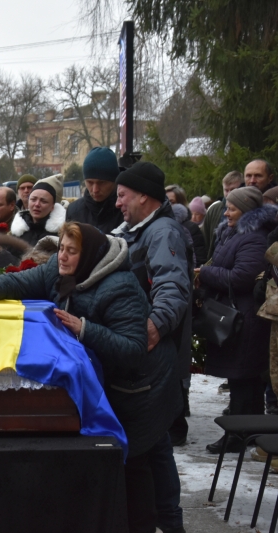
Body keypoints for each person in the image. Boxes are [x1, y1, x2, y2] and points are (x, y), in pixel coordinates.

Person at [0, 222, 177, 533]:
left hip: (141, 387)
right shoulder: (57, 269)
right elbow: (22, 281)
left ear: (89, 254)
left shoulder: (120, 287)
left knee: (138, 462)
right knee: (126, 462)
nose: (62, 256)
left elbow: (133, 349)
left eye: (71, 251)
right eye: (61, 248)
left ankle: (161, 525)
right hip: (106, 379)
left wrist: (83, 328)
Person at [113, 161, 190, 533]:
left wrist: (152, 327)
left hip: (152, 361)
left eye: (122, 195)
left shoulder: (162, 232)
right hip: (144, 361)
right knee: (154, 443)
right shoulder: (137, 229)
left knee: (153, 445)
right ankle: (167, 523)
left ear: (143, 195)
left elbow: (173, 286)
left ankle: (168, 523)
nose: (117, 203)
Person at [199, 187, 277, 452]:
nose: (227, 213)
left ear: (246, 209)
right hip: (239, 317)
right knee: (242, 380)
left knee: (244, 380)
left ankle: (238, 435)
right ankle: (247, 433)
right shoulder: (236, 233)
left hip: (245, 321)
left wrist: (206, 273)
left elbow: (241, 277)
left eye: (231, 208)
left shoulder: (253, 238)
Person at [66, 146, 123, 234]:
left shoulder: (126, 210)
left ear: (115, 181)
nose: (95, 190)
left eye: (102, 183)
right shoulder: (74, 211)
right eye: (90, 182)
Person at [11, 173, 66, 246]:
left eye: (43, 201)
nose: (37, 204)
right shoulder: (18, 231)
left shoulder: (61, 234)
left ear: (52, 206)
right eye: (33, 199)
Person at [204, 171, 244, 259]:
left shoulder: (247, 209)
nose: (229, 194)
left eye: (232, 190)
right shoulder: (214, 209)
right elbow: (206, 238)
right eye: (226, 190)